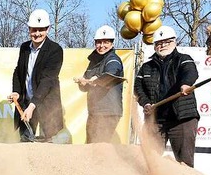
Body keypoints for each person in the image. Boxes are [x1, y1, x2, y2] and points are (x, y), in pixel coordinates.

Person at [134, 25, 200, 167]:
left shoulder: (183, 59)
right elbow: (137, 88)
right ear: (154, 46)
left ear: (174, 42)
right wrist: (145, 103)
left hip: (181, 119)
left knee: (184, 163)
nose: (162, 45)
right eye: (159, 43)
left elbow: (190, 71)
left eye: (167, 42)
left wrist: (185, 84)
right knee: (148, 162)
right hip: (155, 121)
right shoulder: (146, 67)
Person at [9, 9, 64, 142]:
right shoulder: (24, 48)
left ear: (48, 29)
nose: (37, 33)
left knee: (48, 144)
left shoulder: (55, 50)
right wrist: (16, 91)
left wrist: (32, 105)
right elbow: (18, 71)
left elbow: (48, 80)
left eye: (41, 29)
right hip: (26, 102)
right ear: (29, 29)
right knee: (25, 142)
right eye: (34, 30)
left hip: (46, 105)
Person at [74, 25, 124, 143]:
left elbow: (111, 74)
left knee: (100, 146)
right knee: (91, 145)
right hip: (94, 111)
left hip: (109, 112)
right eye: (99, 42)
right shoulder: (93, 62)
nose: (102, 46)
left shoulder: (113, 59)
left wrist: (97, 79)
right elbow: (85, 87)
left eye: (105, 42)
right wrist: (82, 83)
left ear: (112, 44)